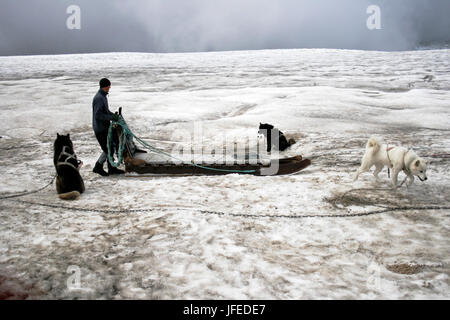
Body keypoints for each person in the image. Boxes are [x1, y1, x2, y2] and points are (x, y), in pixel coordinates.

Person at [92, 78, 125, 176]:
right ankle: (98, 166)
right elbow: (98, 115)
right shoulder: (99, 98)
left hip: (105, 127)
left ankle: (112, 168)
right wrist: (111, 117)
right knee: (107, 149)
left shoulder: (103, 96)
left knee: (110, 147)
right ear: (105, 86)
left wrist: (114, 116)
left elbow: (105, 112)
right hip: (100, 128)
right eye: (109, 86)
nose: (110, 87)